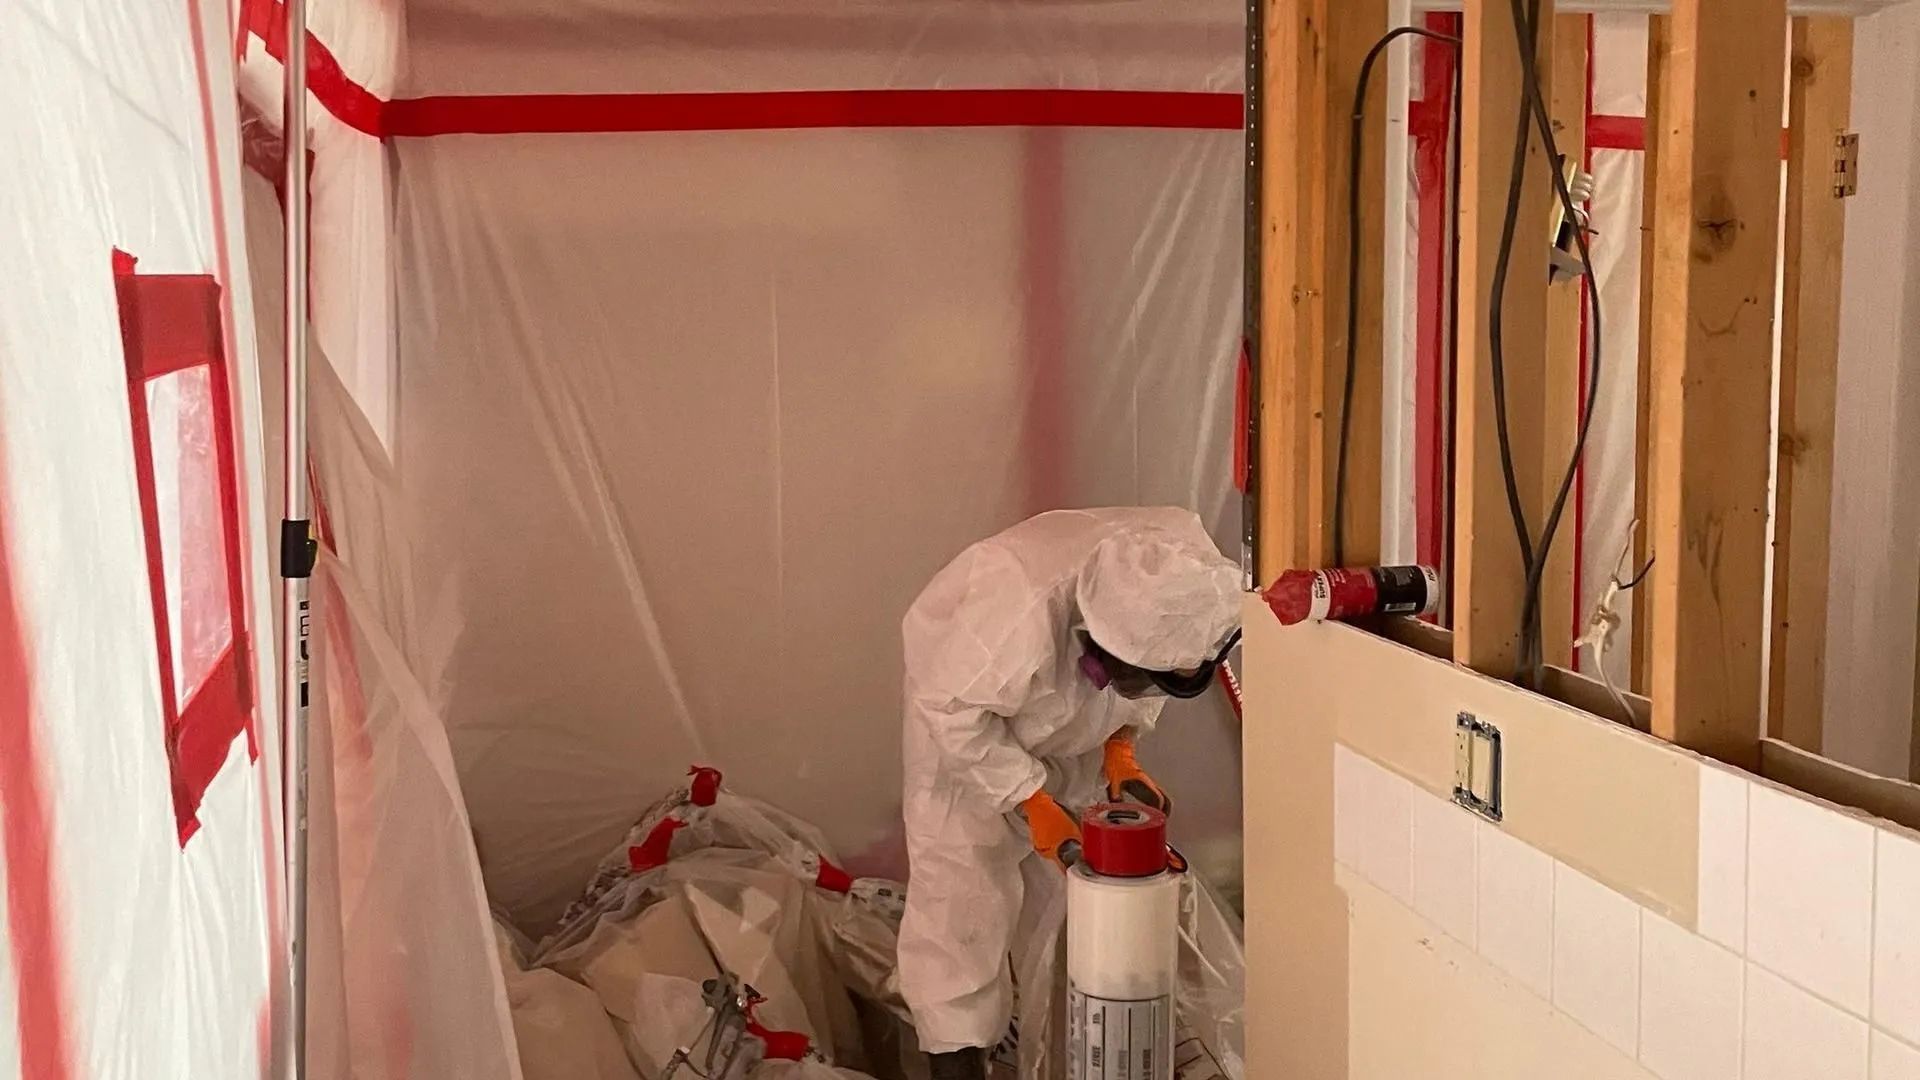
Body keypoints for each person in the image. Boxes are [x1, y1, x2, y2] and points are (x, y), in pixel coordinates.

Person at [896, 507, 1243, 1080]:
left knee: (1069, 906)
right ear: (1097, 641)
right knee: (963, 905)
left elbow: (1155, 670)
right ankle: (956, 1059)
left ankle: (1048, 1046)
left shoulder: (1185, 578)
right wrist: (1030, 800)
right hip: (968, 726)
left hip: (1071, 725)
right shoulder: (1013, 607)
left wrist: (1120, 749)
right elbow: (949, 709)